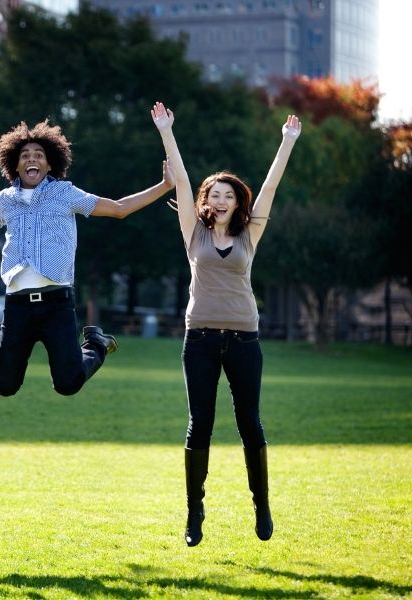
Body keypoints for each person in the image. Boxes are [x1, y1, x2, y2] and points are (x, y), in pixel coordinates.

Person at [150, 101, 301, 546]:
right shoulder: (192, 233)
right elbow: (178, 175)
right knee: (200, 424)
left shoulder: (249, 235)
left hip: (243, 339)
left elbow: (271, 185)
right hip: (198, 338)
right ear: (205, 200)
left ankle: (262, 506)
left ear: (238, 203)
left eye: (227, 194)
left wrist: (287, 141)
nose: (219, 199)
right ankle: (194, 514)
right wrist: (166, 130)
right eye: (213, 193)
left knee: (250, 423)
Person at [0, 119, 174, 397]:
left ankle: (96, 344)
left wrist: (164, 185)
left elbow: (119, 209)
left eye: (39, 155)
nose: (32, 159)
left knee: (68, 383)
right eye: (25, 156)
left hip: (56, 304)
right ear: (15, 165)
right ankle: (3, 339)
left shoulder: (65, 193)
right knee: (4, 386)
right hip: (17, 305)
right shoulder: (7, 199)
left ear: (50, 164)